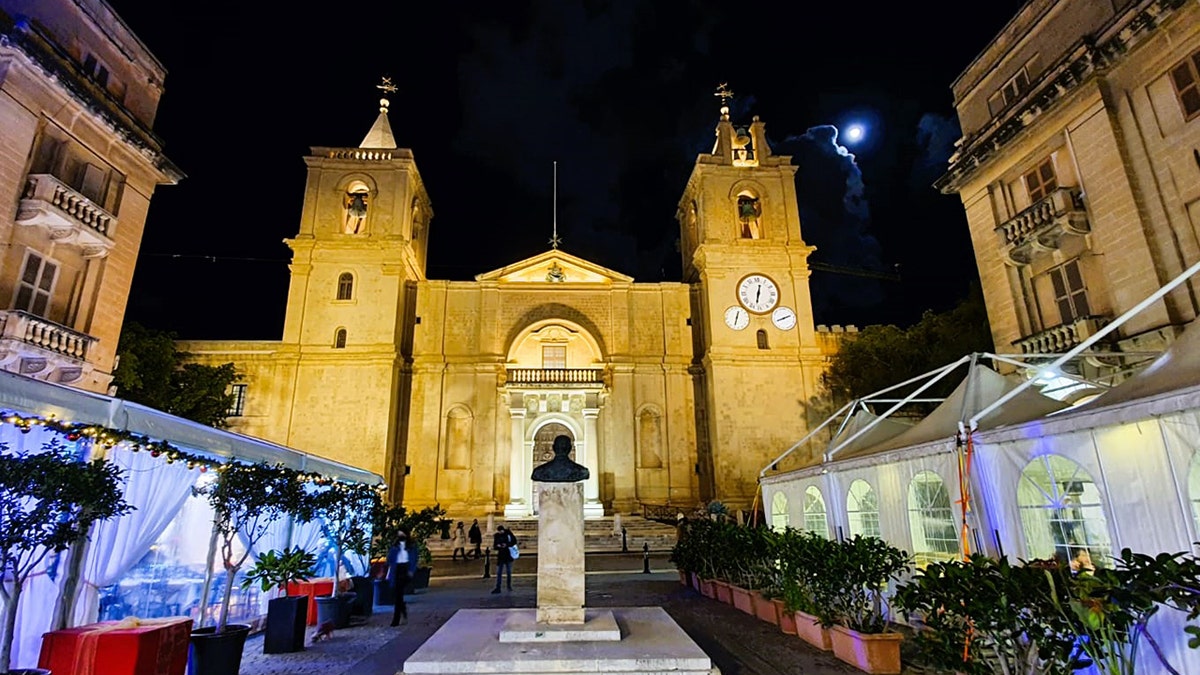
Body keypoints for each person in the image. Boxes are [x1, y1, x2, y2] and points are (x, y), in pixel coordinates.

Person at [387, 531, 410, 626]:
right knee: (398, 595)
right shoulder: (394, 547)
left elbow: (413, 558)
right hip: (397, 570)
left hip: (405, 569)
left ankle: (397, 618)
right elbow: (389, 559)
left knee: (398, 594)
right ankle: (402, 611)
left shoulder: (410, 546)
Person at [491, 525, 518, 593]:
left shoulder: (508, 534)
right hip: (501, 556)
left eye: (501, 531)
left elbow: (514, 542)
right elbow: (494, 546)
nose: (500, 532)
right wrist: (498, 546)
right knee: (499, 573)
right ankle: (498, 587)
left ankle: (508, 586)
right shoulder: (497, 536)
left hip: (507, 555)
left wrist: (506, 545)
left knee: (508, 572)